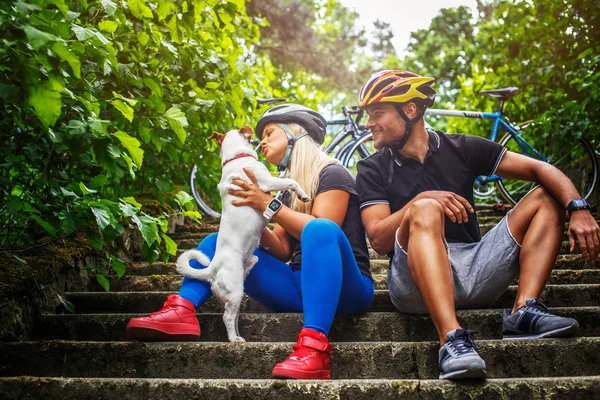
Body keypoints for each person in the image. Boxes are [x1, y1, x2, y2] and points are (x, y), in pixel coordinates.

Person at [355, 70, 600, 380]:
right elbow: (377, 238)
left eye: (377, 113)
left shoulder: (464, 147)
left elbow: (541, 169)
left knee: (548, 195)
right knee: (425, 208)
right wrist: (422, 201)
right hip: (412, 283)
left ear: (410, 110)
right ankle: (451, 340)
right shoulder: (371, 167)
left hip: (477, 268)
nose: (368, 123)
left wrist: (578, 208)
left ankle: (523, 311)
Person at [126, 104, 374, 380]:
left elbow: (322, 230)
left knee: (319, 229)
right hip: (297, 288)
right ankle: (182, 309)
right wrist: (250, 214)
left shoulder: (333, 173)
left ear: (295, 134)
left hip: (347, 290)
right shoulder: (288, 190)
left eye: (269, 133)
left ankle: (314, 349)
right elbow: (280, 250)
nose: (262, 141)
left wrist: (269, 204)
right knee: (218, 240)